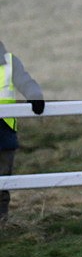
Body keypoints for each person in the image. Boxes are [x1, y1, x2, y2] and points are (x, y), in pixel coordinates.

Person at [0, 40, 45, 221]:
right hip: (5, 135)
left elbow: (26, 82)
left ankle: (2, 222)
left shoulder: (10, 62)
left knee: (3, 183)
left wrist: (35, 97)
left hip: (4, 134)